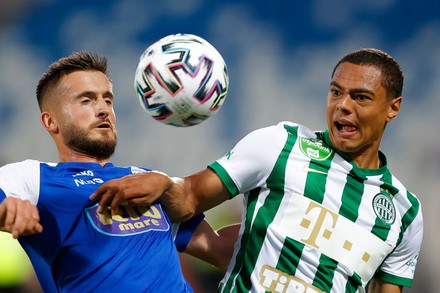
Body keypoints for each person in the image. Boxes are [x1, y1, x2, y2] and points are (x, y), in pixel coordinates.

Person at [91, 48, 424, 293]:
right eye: (336, 92)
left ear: (393, 107)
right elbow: (191, 195)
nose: (343, 106)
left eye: (361, 97)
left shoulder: (404, 212)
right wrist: (164, 185)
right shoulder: (280, 145)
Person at [0, 51, 238, 292]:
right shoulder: (33, 178)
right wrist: (8, 209)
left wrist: (276, 202)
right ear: (51, 121)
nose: (104, 110)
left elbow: (220, 249)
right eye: (87, 100)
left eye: (108, 100)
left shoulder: (146, 180)